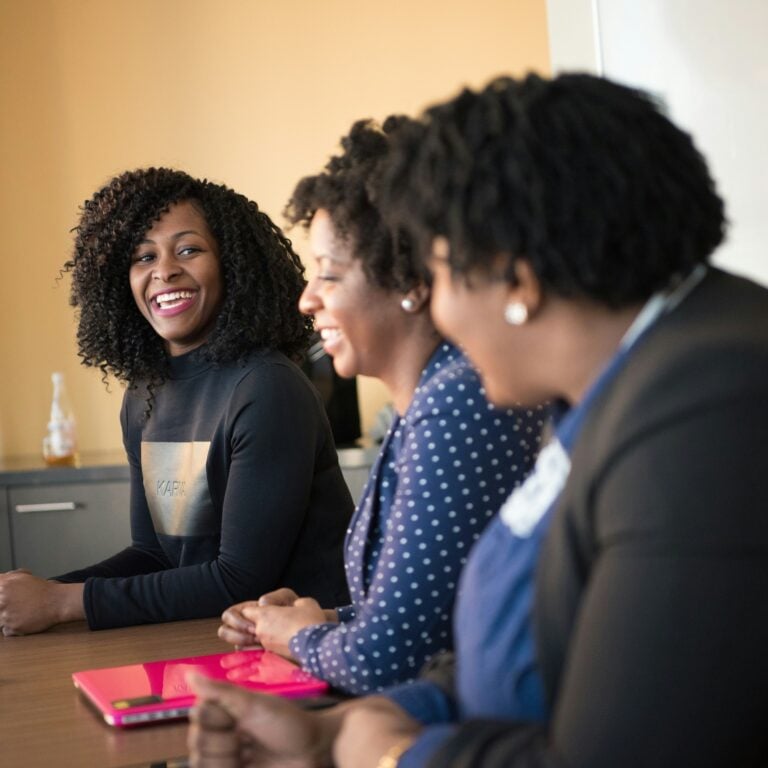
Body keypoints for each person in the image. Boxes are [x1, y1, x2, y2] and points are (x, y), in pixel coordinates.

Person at [186, 73, 768, 768]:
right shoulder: (624, 386)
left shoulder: (708, 407)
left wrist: (397, 754)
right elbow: (534, 638)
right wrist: (350, 727)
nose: (440, 312)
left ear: (515, 278)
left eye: (438, 274)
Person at [215, 117, 545, 695]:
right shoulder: (427, 402)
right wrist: (314, 622)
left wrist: (299, 639)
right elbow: (428, 618)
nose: (307, 298)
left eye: (329, 275)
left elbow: (386, 661)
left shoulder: (458, 403)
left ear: (410, 281)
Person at [0, 168, 354, 635]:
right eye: (143, 256)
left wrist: (63, 602)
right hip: (206, 636)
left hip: (308, 651)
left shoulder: (267, 387)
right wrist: (38, 595)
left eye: (188, 249)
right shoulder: (144, 395)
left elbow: (239, 578)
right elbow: (153, 555)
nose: (164, 271)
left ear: (232, 263)